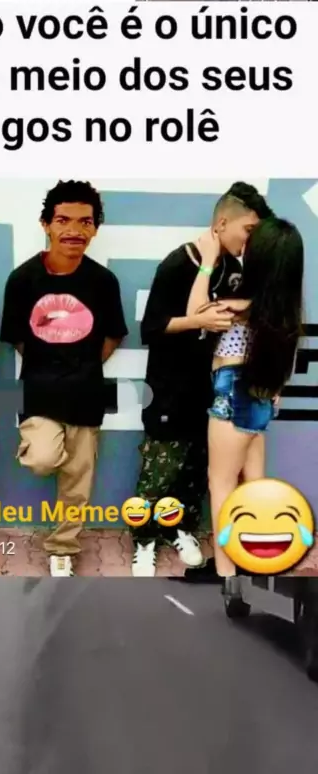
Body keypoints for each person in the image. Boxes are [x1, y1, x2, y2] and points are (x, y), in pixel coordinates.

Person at [132, 182, 273, 578]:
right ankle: (143, 540)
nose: (251, 240)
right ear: (222, 223)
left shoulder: (236, 270)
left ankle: (180, 528)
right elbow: (152, 328)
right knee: (160, 471)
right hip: (168, 390)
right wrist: (197, 321)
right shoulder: (178, 264)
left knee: (196, 471)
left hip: (212, 392)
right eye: (248, 230)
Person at [0, 180, 128, 577]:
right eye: (63, 220)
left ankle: (63, 547)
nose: (74, 230)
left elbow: (114, 335)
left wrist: (83, 364)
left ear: (95, 229)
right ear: (46, 224)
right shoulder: (23, 279)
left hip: (88, 393)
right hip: (37, 392)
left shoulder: (103, 282)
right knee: (43, 459)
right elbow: (17, 338)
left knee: (77, 479)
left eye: (85, 222)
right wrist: (51, 362)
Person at [186, 216, 304, 578]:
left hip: (233, 393)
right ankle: (256, 565)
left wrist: (207, 262)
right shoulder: (284, 310)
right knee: (254, 486)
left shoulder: (237, 308)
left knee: (222, 485)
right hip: (261, 396)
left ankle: (226, 576)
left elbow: (194, 315)